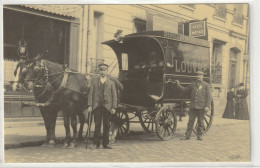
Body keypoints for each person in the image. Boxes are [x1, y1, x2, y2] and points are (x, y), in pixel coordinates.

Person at [87, 63, 117, 149]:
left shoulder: (111, 83)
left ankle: (105, 143)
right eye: (101, 70)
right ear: (99, 71)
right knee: (97, 125)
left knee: (106, 125)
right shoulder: (94, 81)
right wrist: (89, 105)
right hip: (97, 106)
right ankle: (96, 144)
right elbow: (91, 94)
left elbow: (114, 96)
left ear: (107, 71)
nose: (102, 72)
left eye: (104, 70)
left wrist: (114, 107)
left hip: (107, 107)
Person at [175, 71, 212, 140]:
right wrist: (178, 85)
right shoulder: (192, 84)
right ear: (196, 76)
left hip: (202, 106)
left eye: (200, 75)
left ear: (202, 76)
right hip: (193, 106)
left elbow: (209, 97)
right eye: (197, 75)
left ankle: (199, 135)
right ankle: (187, 136)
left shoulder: (206, 85)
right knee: (190, 121)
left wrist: (207, 106)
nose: (199, 77)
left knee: (200, 121)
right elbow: (185, 90)